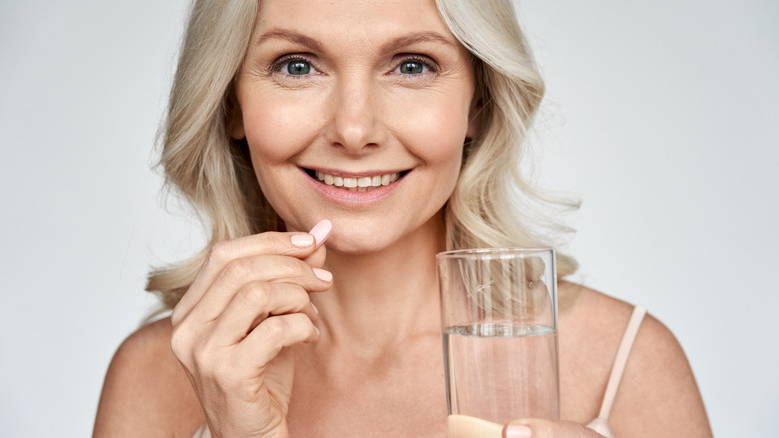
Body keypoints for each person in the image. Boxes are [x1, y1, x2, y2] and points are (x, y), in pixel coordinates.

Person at [93, 0, 713, 436]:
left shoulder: (624, 364)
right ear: (232, 103)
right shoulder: (156, 378)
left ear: (478, 102)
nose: (355, 130)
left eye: (412, 65)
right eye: (297, 65)